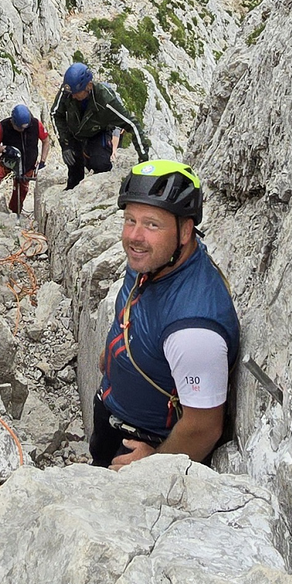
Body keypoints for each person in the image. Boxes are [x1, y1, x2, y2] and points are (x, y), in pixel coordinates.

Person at [90, 159, 239, 469]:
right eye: (130, 219)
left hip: (145, 445)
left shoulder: (195, 330)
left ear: (185, 231)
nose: (134, 236)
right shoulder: (155, 261)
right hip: (111, 409)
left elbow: (203, 428)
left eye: (152, 224)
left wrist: (152, 466)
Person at [51, 62, 149, 190]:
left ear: (89, 86)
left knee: (101, 164)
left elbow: (131, 124)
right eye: (71, 93)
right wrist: (65, 144)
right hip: (74, 132)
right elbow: (55, 114)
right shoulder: (67, 91)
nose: (73, 96)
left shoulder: (105, 99)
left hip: (98, 132)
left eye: (77, 93)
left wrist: (143, 159)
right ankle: (73, 187)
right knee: (73, 166)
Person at [0, 104, 50, 216]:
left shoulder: (36, 125)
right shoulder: (2, 127)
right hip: (7, 163)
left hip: (26, 166)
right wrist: (4, 149)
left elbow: (46, 141)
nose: (22, 130)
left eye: (24, 128)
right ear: (12, 121)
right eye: (19, 128)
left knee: (20, 193)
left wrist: (42, 161)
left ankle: (15, 213)